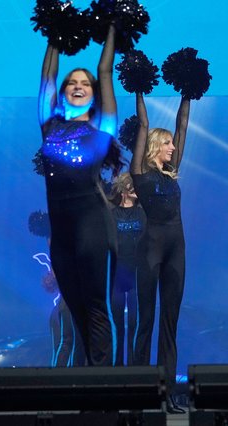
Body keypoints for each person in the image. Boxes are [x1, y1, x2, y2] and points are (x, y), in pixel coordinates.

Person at [37, 24, 123, 366]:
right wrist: (55, 29)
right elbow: (46, 80)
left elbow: (105, 71)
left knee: (96, 307)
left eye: (84, 83)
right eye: (71, 83)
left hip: (94, 227)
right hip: (62, 232)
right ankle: (90, 381)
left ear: (93, 93)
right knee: (75, 309)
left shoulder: (102, 127)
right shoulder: (49, 125)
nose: (77, 87)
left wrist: (114, 25)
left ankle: (106, 387)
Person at [130, 91, 190, 413]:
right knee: (146, 322)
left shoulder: (172, 171)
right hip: (150, 251)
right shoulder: (140, 172)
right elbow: (143, 123)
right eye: (167, 144)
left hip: (176, 251)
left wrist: (186, 92)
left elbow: (182, 126)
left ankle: (169, 395)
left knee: (170, 323)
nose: (173, 147)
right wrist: (139, 89)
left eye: (173, 144)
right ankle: (141, 393)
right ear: (156, 146)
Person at [109, 172, 145, 366]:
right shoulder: (113, 215)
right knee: (117, 325)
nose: (136, 189)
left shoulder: (142, 213)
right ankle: (117, 368)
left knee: (134, 323)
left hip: (137, 274)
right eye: (132, 185)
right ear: (124, 189)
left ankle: (134, 367)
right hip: (117, 275)